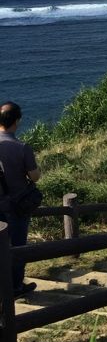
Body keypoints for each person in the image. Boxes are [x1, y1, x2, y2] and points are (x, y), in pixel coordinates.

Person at [0, 102, 41, 298]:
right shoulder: (22, 147)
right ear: (17, 121)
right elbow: (34, 176)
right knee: (17, 247)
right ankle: (16, 287)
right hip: (16, 206)